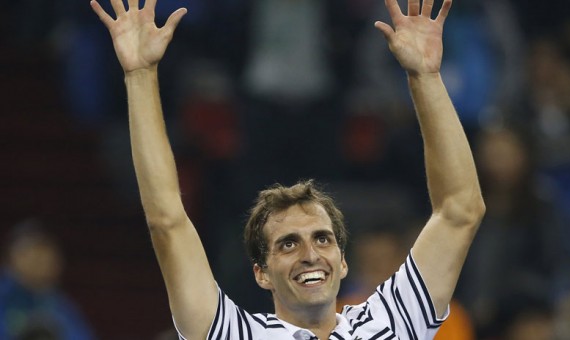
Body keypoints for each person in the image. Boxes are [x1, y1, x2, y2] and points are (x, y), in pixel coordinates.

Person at [90, 0, 485, 339]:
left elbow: (460, 211)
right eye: (288, 243)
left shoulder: (389, 321)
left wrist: (426, 76)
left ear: (343, 262)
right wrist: (140, 76)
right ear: (262, 273)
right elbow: (167, 219)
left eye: (323, 239)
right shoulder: (237, 333)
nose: (310, 254)